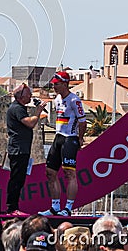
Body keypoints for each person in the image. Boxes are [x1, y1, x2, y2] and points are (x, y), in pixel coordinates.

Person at [39, 72, 87, 216]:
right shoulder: (57, 99)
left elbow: (83, 122)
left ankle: (68, 208)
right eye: (53, 84)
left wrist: (79, 138)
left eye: (57, 84)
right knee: (50, 172)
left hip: (70, 138)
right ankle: (55, 207)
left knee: (69, 173)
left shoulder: (74, 100)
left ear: (65, 84)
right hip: (58, 137)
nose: (54, 86)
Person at [6, 83, 47, 215]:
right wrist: (38, 112)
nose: (30, 96)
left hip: (22, 149)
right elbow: (29, 123)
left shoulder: (20, 107)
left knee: (19, 179)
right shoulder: (17, 108)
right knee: (16, 179)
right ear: (21, 96)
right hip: (18, 149)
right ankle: (12, 208)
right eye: (28, 94)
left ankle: (13, 206)